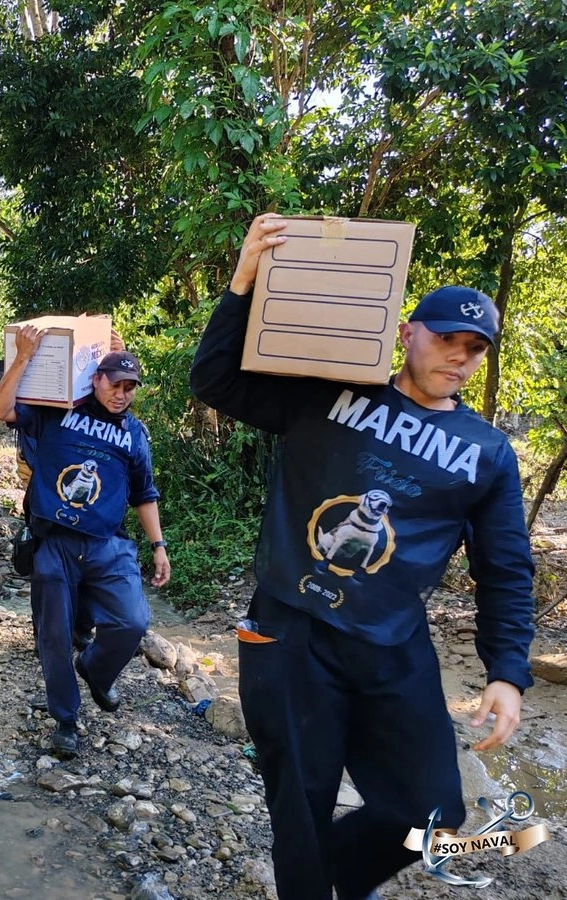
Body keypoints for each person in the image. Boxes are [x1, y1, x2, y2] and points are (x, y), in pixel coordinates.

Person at [189, 213, 536, 900]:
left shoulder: (487, 452)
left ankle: (333, 879)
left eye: (475, 348)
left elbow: (505, 568)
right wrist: (242, 284)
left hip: (391, 646)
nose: (460, 356)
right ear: (408, 332)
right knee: (301, 807)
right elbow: (216, 383)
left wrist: (507, 671)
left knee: (432, 811)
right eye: (446, 339)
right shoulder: (329, 393)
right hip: (290, 631)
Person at [0, 338, 171, 758]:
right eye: (116, 384)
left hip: (108, 545)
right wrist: (22, 357)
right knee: (53, 634)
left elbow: (144, 493)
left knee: (131, 621)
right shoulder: (58, 414)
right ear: (96, 380)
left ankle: (93, 667)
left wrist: (158, 546)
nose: (122, 395)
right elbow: (1, 411)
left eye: (130, 388)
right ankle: (66, 719)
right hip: (55, 541)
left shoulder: (134, 434)